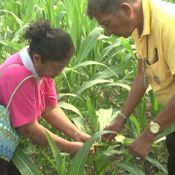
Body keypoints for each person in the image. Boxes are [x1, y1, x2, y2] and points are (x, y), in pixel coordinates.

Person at [86, 0, 175, 174]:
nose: (108, 32)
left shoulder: (169, 24)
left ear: (126, 9)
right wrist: (121, 118)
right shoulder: (139, 23)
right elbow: (142, 74)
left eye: (107, 24)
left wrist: (149, 134)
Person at [0, 19, 90, 175]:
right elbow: (28, 129)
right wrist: (69, 147)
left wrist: (77, 134)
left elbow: (50, 108)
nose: (61, 71)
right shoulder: (19, 76)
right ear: (37, 59)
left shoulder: (42, 68)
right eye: (58, 67)